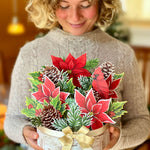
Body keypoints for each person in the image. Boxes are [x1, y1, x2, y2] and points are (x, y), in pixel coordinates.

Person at [4, 0, 150, 150]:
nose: (75, 17)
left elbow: (141, 122)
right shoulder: (30, 54)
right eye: (64, 5)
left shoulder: (122, 54)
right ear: (50, 5)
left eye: (85, 5)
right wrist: (24, 133)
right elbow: (12, 120)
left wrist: (120, 138)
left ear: (101, 4)